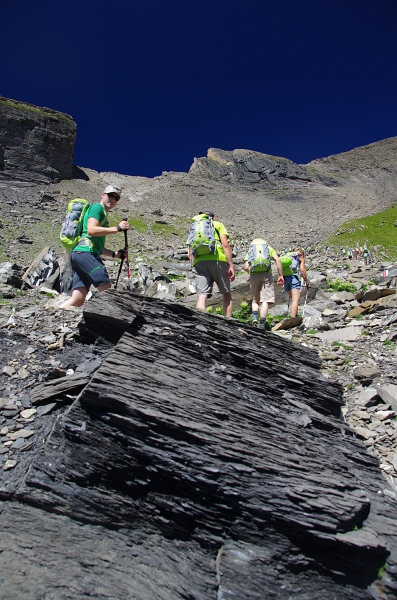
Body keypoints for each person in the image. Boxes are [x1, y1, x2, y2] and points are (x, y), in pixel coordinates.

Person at [61, 185, 130, 308]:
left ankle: (54, 311)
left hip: (80, 254)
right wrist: (118, 228)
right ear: (103, 195)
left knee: (77, 299)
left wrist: (115, 254)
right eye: (110, 195)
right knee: (107, 290)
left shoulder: (101, 213)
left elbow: (96, 246)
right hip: (86, 254)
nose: (112, 199)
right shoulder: (97, 208)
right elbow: (91, 230)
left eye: (116, 198)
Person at [187, 209, 235, 316]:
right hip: (218, 259)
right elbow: (225, 245)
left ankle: (201, 321)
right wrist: (231, 265)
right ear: (213, 217)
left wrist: (194, 265)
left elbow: (190, 252)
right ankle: (228, 322)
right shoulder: (218, 225)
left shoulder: (194, 227)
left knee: (202, 295)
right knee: (226, 293)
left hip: (199, 261)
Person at [244, 238, 284, 329]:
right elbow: (278, 260)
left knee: (255, 299)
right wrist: (281, 275)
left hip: (254, 275)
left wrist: (252, 274)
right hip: (267, 274)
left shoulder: (251, 250)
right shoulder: (268, 249)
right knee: (265, 300)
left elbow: (246, 267)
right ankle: (261, 323)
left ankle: (254, 317)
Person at [281, 247, 309, 318]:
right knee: (295, 299)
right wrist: (306, 281)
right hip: (294, 278)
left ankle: (294, 315)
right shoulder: (300, 258)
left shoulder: (288, 256)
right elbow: (302, 270)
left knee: (293, 299)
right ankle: (293, 318)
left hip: (285, 278)